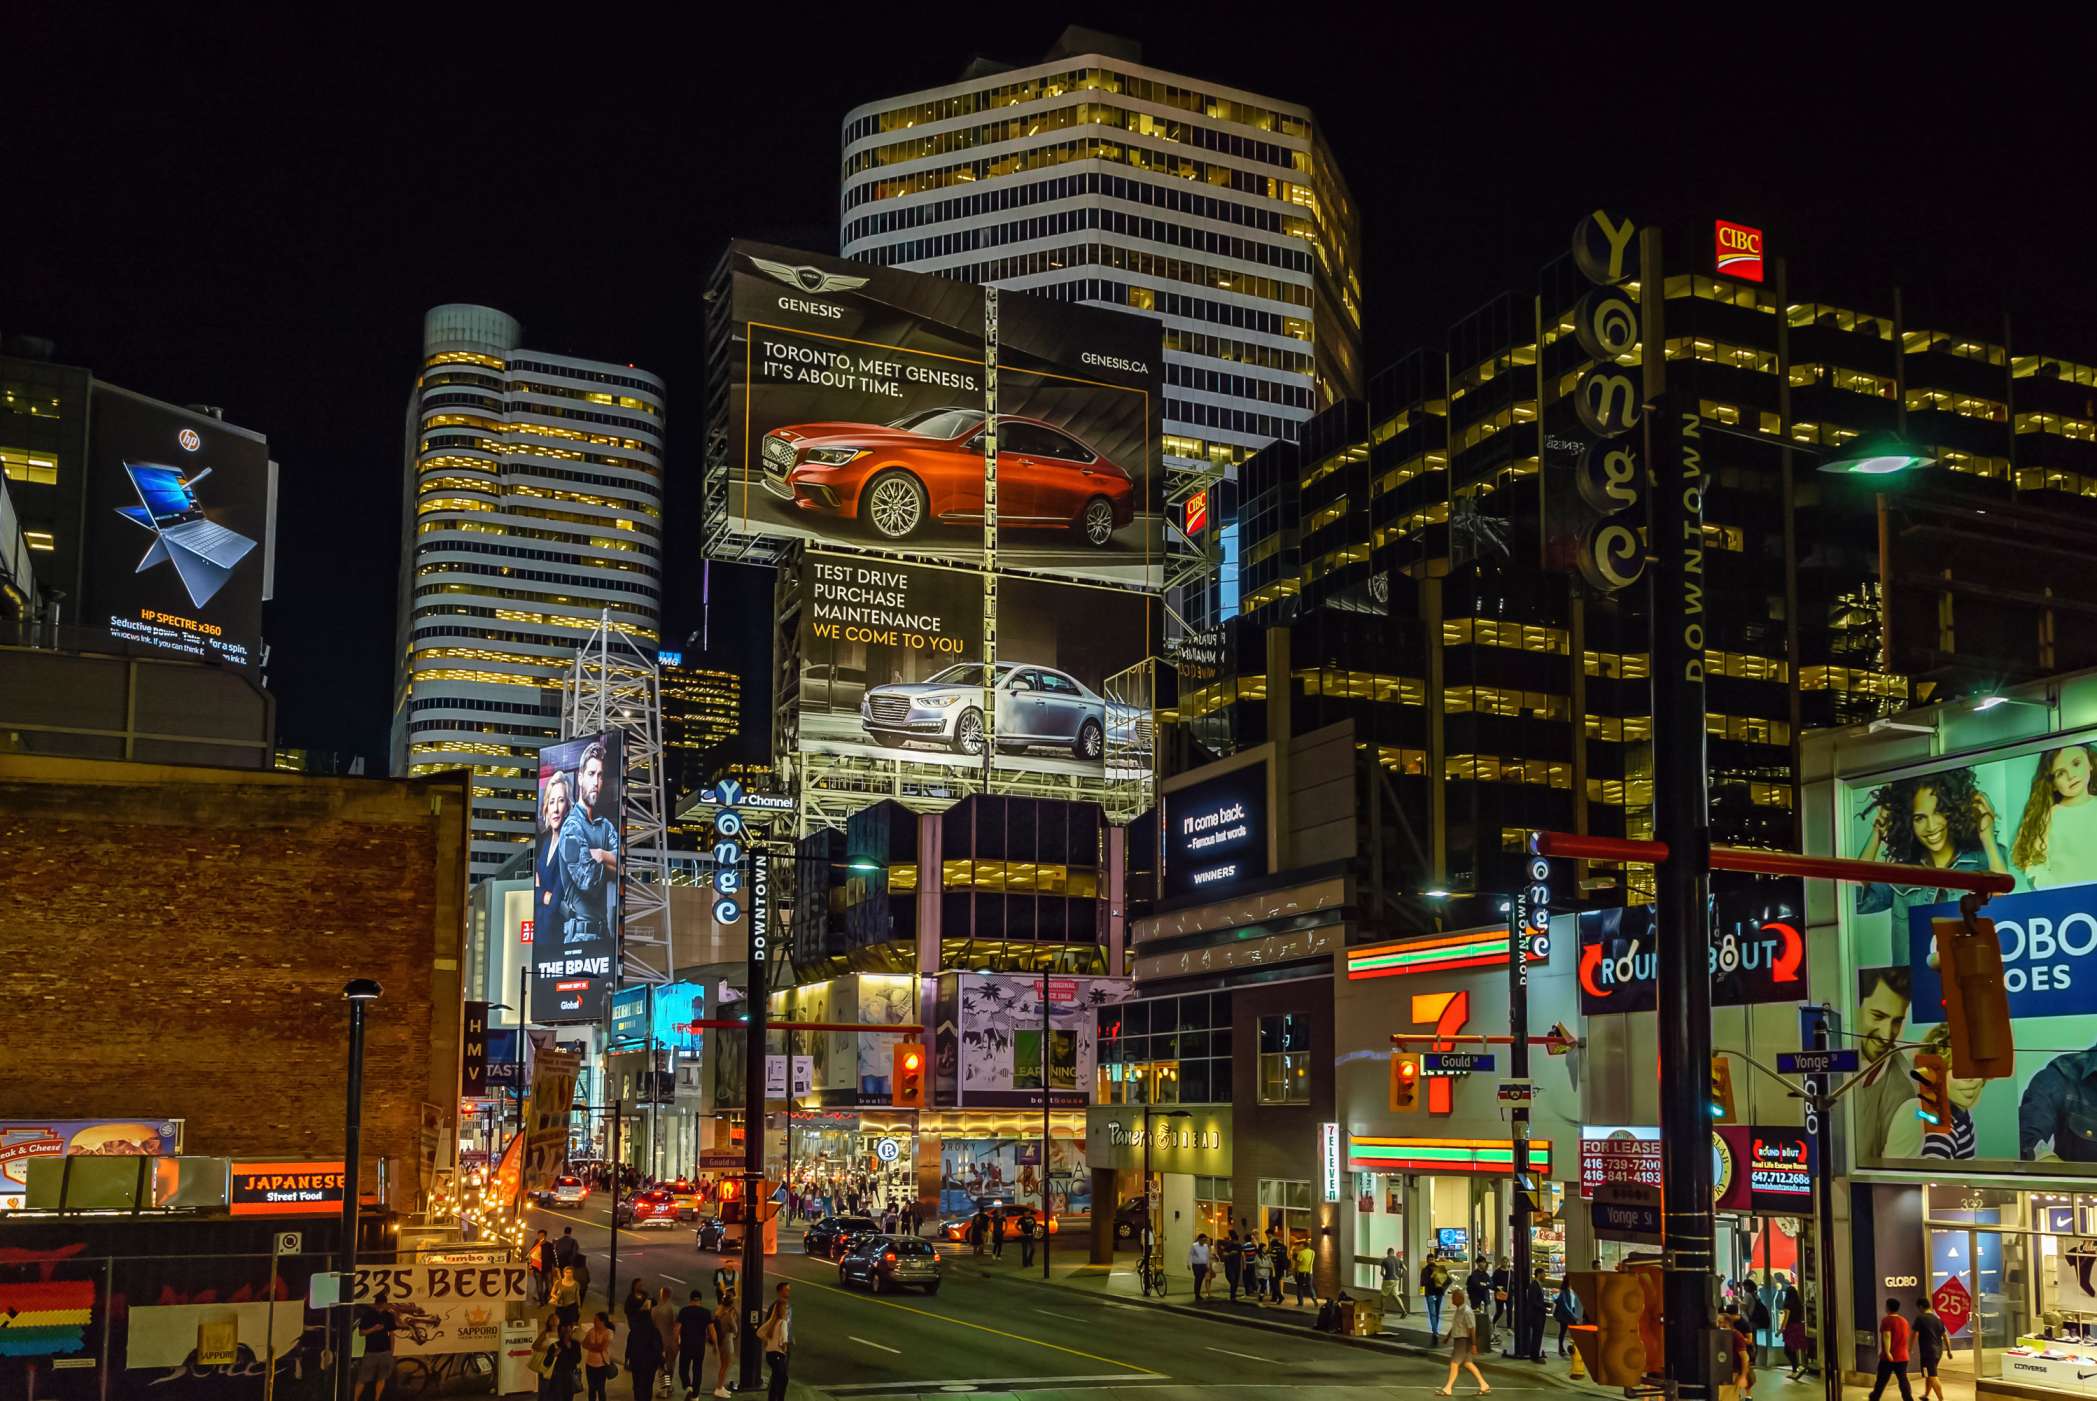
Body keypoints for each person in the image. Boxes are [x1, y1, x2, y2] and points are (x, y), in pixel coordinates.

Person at [1851, 966, 1917, 1164]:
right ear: (1855, 1008)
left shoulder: (1904, 1092)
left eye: (1897, 1021)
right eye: (1878, 1016)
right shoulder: (1828, 1062)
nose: (1887, 1035)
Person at [559, 739, 620, 944]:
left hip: (604, 935)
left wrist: (601, 856)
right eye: (591, 774)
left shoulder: (605, 826)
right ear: (580, 778)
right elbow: (589, 882)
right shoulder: (571, 827)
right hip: (579, 937)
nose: (596, 782)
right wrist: (613, 863)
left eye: (600, 775)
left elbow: (626, 866)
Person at [2013, 743, 2097, 888]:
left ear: (2090, 763)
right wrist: (2058, 892)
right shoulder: (2048, 817)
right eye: (2060, 773)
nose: (2071, 776)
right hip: (2066, 901)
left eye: (2076, 763)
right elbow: (2035, 866)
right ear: (2052, 783)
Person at [1436, 1285, 1491, 1396]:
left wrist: (1474, 1344)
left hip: (1463, 1340)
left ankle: (1448, 1388)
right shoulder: (1459, 1310)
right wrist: (1448, 1336)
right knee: (1468, 1363)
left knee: (1454, 1363)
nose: (1452, 1300)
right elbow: (1457, 1325)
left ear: (1459, 1298)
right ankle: (1484, 1385)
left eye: (1453, 1298)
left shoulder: (1467, 1311)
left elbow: (1472, 1328)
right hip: (1459, 1340)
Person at [536, 770, 570, 920]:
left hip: (555, 931)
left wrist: (540, 892)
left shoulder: (570, 844)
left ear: (568, 805)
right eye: (551, 802)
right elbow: (533, 891)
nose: (555, 808)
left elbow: (557, 901)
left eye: (561, 800)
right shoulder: (543, 842)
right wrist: (544, 895)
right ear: (546, 808)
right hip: (539, 928)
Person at [1868, 1298, 1914, 1401]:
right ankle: (1908, 1399)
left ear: (1888, 1307)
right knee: (1903, 1379)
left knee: (1881, 1380)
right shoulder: (1904, 1320)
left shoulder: (1887, 1320)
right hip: (1903, 1356)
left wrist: (1887, 1352)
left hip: (1889, 1357)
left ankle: (1874, 1397)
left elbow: (1887, 1336)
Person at [352, 1301, 397, 1401]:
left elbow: (392, 1335)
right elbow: (361, 1332)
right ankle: (355, 1399)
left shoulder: (388, 1315)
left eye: (383, 1303)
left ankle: (376, 1399)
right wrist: (374, 1329)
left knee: (382, 1378)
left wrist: (391, 1352)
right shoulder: (368, 1315)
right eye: (379, 1303)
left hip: (385, 1352)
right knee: (363, 1378)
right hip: (371, 1352)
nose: (381, 1306)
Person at [757, 1282, 792, 1401]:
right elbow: (783, 1336)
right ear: (780, 1291)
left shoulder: (778, 1317)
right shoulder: (779, 1317)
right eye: (786, 1290)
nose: (788, 1292)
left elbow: (760, 1332)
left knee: (780, 1377)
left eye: (789, 1290)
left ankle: (776, 1398)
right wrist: (781, 1344)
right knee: (780, 1379)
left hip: (773, 1353)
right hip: (779, 1352)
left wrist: (770, 1340)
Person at [627, 1297, 665, 1401]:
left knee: (637, 1385)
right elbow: (658, 1348)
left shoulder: (634, 1330)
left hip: (636, 1363)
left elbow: (629, 1345)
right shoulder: (654, 1331)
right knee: (647, 1386)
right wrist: (660, 1361)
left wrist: (628, 1358)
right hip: (649, 1365)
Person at [1913, 1296, 1951, 1401]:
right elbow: (1945, 1336)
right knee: (1929, 1373)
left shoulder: (1920, 1318)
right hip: (1938, 1351)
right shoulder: (1938, 1319)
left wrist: (1909, 1348)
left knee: (1933, 1375)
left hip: (1927, 1351)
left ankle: (1941, 1399)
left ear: (1920, 1307)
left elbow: (1913, 1334)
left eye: (1918, 1308)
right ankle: (1926, 1394)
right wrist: (1949, 1351)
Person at [675, 1289, 710, 1400]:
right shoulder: (706, 1312)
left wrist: (676, 1341)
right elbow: (711, 1329)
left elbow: (677, 1329)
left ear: (690, 1299)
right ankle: (695, 1396)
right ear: (700, 1300)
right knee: (697, 1370)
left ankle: (688, 1386)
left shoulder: (684, 1311)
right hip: (699, 1346)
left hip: (686, 1345)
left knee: (683, 1368)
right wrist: (716, 1345)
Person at [1776, 1273, 1808, 1379]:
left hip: (1790, 1328)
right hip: (1798, 1327)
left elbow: (1786, 1318)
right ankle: (1797, 1368)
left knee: (1788, 1350)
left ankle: (1796, 1369)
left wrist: (1780, 1330)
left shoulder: (1788, 1305)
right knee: (1793, 1349)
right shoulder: (1799, 1304)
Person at [545, 1320, 584, 1401]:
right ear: (560, 1333)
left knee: (569, 1398)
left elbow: (578, 1359)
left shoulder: (575, 1344)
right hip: (558, 1377)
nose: (566, 1334)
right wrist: (553, 1355)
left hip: (570, 1376)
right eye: (564, 1332)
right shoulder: (555, 1346)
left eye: (569, 1331)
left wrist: (570, 1349)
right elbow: (546, 1363)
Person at [709, 1291, 738, 1400]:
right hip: (727, 1343)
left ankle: (720, 1386)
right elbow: (735, 1330)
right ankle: (719, 1388)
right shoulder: (728, 1316)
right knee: (725, 1366)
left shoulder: (718, 1312)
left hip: (721, 1342)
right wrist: (734, 1318)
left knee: (723, 1365)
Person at [651, 1288, 679, 1398]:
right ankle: (669, 1386)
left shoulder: (655, 1310)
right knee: (670, 1366)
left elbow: (652, 1327)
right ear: (670, 1295)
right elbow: (677, 1326)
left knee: (662, 1367)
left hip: (659, 1342)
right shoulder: (674, 1309)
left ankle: (664, 1390)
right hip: (672, 1341)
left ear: (662, 1294)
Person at [583, 1311, 616, 1401]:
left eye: (596, 1320)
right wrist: (595, 1347)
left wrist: (591, 1346)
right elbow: (584, 1344)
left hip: (601, 1365)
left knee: (601, 1389)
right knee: (591, 1389)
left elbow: (601, 1348)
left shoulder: (608, 1333)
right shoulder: (591, 1331)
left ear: (603, 1321)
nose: (594, 1321)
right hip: (589, 1364)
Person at [1520, 1266, 1548, 1361]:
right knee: (1536, 1335)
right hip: (1536, 1315)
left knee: (1538, 1335)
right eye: (1544, 1274)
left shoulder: (1538, 1285)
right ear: (1539, 1274)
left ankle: (1535, 1353)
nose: (1545, 1276)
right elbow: (1533, 1301)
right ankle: (1535, 1356)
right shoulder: (1534, 1286)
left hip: (1539, 1314)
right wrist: (1544, 1308)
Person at [1422, 1249, 1449, 1338]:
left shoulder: (1439, 1269)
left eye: (1432, 1260)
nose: (1431, 1262)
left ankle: (1435, 1329)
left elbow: (1446, 1280)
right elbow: (1423, 1282)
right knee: (1433, 1313)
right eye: (1430, 1260)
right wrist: (1431, 1277)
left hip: (1437, 1293)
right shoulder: (1425, 1270)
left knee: (1436, 1312)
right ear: (1427, 1261)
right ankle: (1435, 1330)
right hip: (1431, 1293)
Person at [1554, 1277, 1580, 1357]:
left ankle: (1572, 1348)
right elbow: (1565, 1306)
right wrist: (1574, 1316)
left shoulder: (1571, 1290)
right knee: (1563, 1331)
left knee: (1568, 1332)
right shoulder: (1564, 1292)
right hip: (1566, 1315)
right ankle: (1561, 1348)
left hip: (1571, 1314)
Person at [555, 1265, 583, 1331]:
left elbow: (577, 1295)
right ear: (564, 1273)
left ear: (573, 1274)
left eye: (570, 1272)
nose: (568, 1274)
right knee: (561, 1325)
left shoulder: (576, 1284)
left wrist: (579, 1307)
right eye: (566, 1272)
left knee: (569, 1326)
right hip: (561, 1307)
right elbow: (554, 1294)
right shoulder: (559, 1283)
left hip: (571, 1306)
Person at [530, 1229, 553, 1305]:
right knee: (539, 1288)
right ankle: (542, 1302)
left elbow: (553, 1256)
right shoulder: (536, 1246)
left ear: (545, 1236)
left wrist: (555, 1266)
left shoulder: (550, 1245)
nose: (540, 1237)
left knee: (550, 1287)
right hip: (537, 1270)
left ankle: (546, 1298)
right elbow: (531, 1257)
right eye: (539, 1236)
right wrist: (531, 1268)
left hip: (547, 1269)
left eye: (542, 1236)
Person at [1292, 1237, 1315, 1308]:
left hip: (1301, 1272)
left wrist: (1294, 1272)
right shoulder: (1312, 1252)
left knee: (1300, 1287)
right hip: (1309, 1272)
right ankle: (1314, 1299)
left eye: (1301, 1245)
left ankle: (1300, 1302)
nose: (1299, 1247)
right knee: (1310, 1287)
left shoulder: (1301, 1253)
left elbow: (1297, 1264)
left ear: (1304, 1246)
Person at [1223, 1228, 1245, 1302]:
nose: (1235, 1241)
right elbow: (1224, 1254)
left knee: (1235, 1280)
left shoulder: (1239, 1246)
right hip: (1229, 1265)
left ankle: (1233, 1295)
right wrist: (1230, 1254)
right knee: (1232, 1279)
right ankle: (1233, 1295)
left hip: (1236, 1265)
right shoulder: (1229, 1245)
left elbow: (1242, 1255)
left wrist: (1244, 1264)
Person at [1188, 1234, 1211, 1299]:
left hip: (1203, 1265)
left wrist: (1208, 1265)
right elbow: (1190, 1254)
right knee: (1198, 1278)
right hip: (1196, 1265)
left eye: (1205, 1240)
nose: (1204, 1241)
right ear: (1200, 1239)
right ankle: (1197, 1294)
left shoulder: (1206, 1246)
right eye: (1203, 1240)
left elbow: (1207, 1256)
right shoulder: (1194, 1246)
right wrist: (1188, 1263)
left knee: (1200, 1279)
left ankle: (1198, 1293)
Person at [1490, 1257, 1512, 1328]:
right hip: (1499, 1294)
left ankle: (1509, 1327)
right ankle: (1494, 1322)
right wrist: (1497, 1288)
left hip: (1509, 1294)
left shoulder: (1511, 1272)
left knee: (1509, 1311)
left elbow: (1514, 1283)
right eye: (1504, 1261)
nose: (1505, 1263)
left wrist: (1512, 1291)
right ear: (1501, 1262)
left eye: (1506, 1261)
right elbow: (1492, 1283)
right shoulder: (1497, 1272)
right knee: (1500, 1311)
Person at [1381, 1246, 1403, 1313]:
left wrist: (1384, 1276)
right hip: (1396, 1280)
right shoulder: (1398, 1260)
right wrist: (1401, 1275)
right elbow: (1405, 1268)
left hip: (1387, 1279)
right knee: (1395, 1295)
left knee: (1383, 1296)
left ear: (1388, 1253)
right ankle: (1404, 1311)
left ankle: (1382, 1312)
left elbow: (1382, 1272)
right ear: (1393, 1253)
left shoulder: (1384, 1260)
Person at [1268, 1233, 1289, 1303]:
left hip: (1275, 1269)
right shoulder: (1283, 1248)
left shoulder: (1274, 1250)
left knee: (1273, 1283)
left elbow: (1272, 1259)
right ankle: (1274, 1297)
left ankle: (1280, 1296)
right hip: (1281, 1268)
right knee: (1276, 1282)